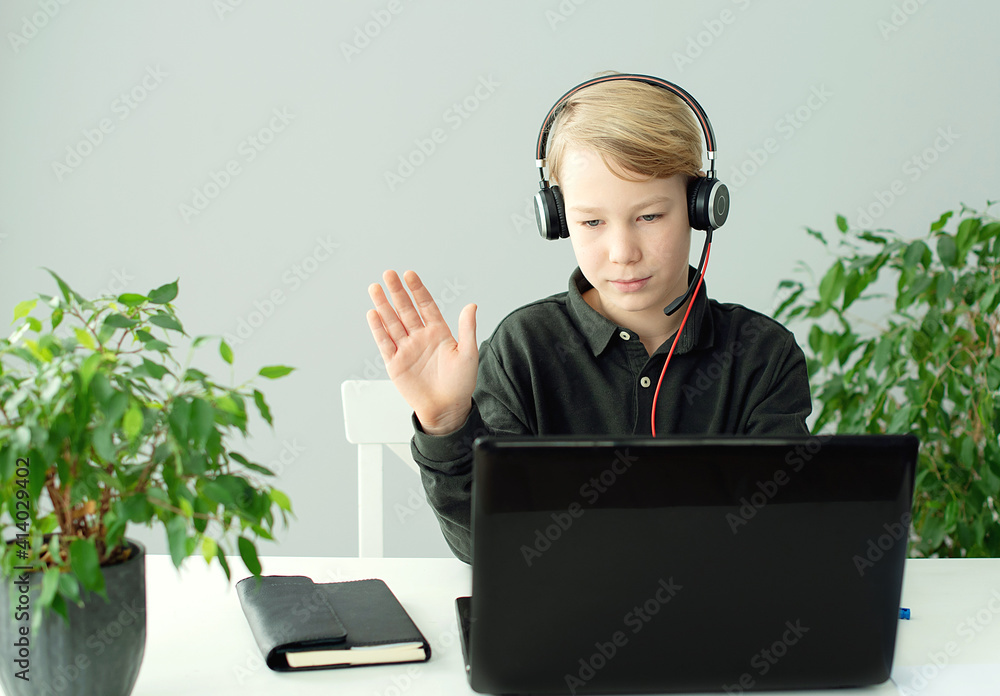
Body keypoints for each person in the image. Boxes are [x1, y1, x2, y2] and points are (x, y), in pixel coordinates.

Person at [366, 72, 812, 564]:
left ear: (701, 208)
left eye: (649, 216)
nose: (622, 252)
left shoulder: (763, 355)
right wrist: (446, 421)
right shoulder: (524, 350)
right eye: (592, 222)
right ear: (558, 221)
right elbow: (489, 548)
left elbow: (780, 535)